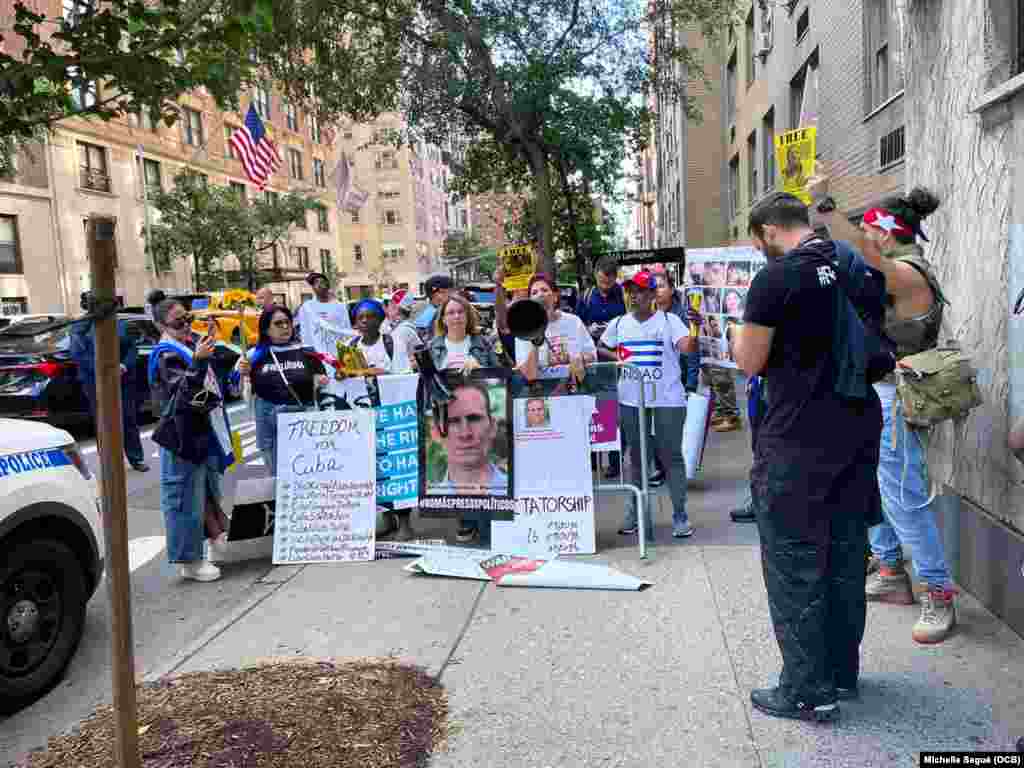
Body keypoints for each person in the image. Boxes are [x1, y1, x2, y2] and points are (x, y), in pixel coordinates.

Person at [735, 191, 883, 721]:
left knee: (794, 562)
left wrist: (734, 334)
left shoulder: (776, 278)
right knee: (844, 554)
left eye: (759, 241)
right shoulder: (854, 267)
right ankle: (840, 673)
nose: (760, 249)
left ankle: (806, 690)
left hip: (797, 437)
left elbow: (750, 361)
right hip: (856, 428)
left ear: (768, 232)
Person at [813, 179, 956, 644]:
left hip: (897, 396)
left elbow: (866, 256)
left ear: (886, 232)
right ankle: (891, 571)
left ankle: (938, 591)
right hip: (878, 392)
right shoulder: (895, 270)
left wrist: (826, 207)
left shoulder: (908, 273)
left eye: (870, 229)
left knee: (902, 496)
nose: (865, 236)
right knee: (876, 486)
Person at [600, 271, 696, 540]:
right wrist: (618, 357)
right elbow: (602, 347)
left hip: (668, 400)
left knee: (671, 456)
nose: (634, 296)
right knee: (637, 458)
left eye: (641, 291)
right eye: (631, 291)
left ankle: (680, 514)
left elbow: (687, 348)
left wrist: (696, 328)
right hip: (631, 400)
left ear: (653, 294)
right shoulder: (619, 323)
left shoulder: (670, 321)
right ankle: (636, 513)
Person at [148, 299, 234, 583]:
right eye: (178, 322)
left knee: (205, 491)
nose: (186, 325)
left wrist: (210, 348)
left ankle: (213, 540)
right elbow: (183, 393)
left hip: (200, 430)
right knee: (184, 497)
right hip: (181, 435)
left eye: (188, 318)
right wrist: (198, 361)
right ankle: (189, 560)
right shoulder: (165, 355)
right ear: (161, 325)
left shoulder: (188, 344)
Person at [234, 306, 328, 473]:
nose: (285, 327)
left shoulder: (307, 351)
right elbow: (235, 391)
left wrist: (320, 381)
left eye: (287, 322)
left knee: (307, 473)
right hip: (269, 426)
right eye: (278, 323)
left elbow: (325, 383)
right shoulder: (253, 356)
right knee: (278, 477)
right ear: (266, 329)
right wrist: (242, 374)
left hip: (303, 424)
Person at [69, 298, 149, 472]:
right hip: (94, 381)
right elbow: (78, 354)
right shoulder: (80, 326)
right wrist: (102, 370)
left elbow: (132, 348)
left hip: (123, 379)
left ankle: (136, 458)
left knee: (128, 418)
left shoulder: (120, 324)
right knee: (102, 422)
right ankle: (108, 461)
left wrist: (124, 365)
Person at [650, 267, 701, 486]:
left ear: (671, 289)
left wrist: (691, 384)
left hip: (677, 381)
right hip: (654, 381)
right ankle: (660, 468)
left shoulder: (682, 315)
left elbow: (692, 353)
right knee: (655, 428)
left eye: (661, 286)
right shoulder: (648, 314)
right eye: (653, 287)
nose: (657, 291)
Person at [516, 272, 596, 383]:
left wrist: (580, 359)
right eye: (534, 293)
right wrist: (536, 338)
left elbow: (592, 355)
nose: (540, 295)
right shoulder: (524, 329)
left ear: (555, 297)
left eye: (544, 290)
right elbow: (529, 375)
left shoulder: (573, 321)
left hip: (575, 386)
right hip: (543, 390)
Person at [428, 293, 498, 373]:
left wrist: (479, 369)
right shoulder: (432, 347)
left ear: (467, 316)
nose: (456, 316)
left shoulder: (484, 343)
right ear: (443, 319)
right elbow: (425, 377)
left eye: (460, 312)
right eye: (451, 313)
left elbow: (499, 376)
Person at [295, 271, 350, 344]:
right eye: (315, 283)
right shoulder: (306, 307)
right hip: (315, 349)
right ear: (313, 288)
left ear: (327, 285)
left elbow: (347, 330)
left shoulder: (340, 306)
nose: (318, 285)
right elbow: (304, 332)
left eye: (321, 282)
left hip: (337, 348)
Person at [385, 290, 423, 363]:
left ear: (396, 308)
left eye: (390, 305)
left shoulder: (403, 331)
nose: (387, 308)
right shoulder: (402, 328)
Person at [414, 274, 454, 341]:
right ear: (433, 294)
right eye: (443, 292)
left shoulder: (450, 308)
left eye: (450, 291)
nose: (449, 295)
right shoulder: (426, 313)